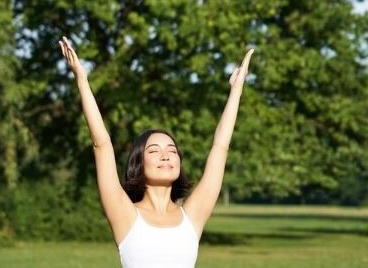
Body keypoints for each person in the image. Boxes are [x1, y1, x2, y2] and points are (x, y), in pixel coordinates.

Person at [59, 37, 253, 268]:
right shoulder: (125, 215)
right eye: (154, 151)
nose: (166, 155)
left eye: (172, 150)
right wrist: (82, 80)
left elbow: (220, 147)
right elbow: (102, 144)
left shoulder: (192, 217)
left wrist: (236, 90)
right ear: (138, 163)